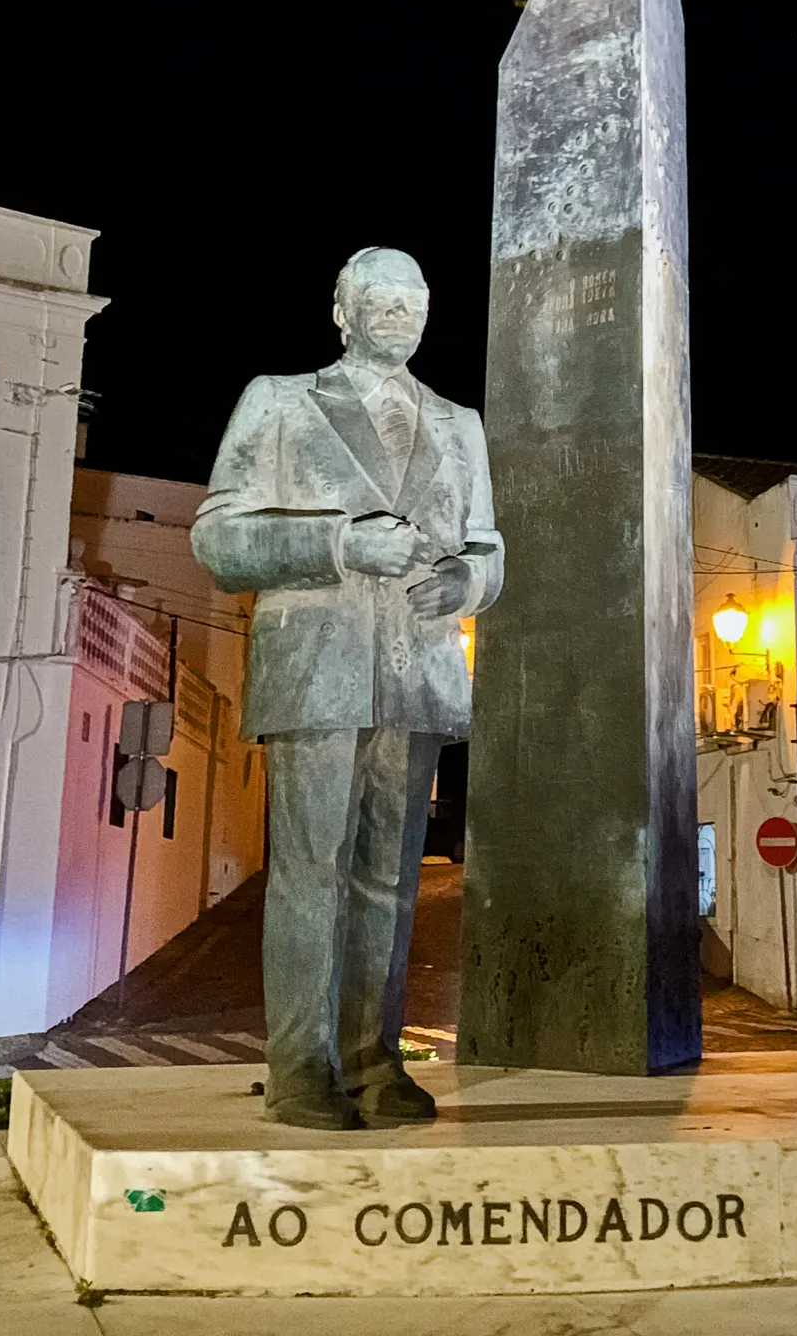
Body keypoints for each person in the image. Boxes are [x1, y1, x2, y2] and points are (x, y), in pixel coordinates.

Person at [193, 247, 502, 1128]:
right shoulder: (280, 401)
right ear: (342, 309)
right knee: (308, 874)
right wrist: (339, 544)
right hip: (317, 669)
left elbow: (486, 543)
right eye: (382, 300)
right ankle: (299, 1070)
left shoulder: (460, 423)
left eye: (416, 302)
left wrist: (470, 583)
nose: (401, 315)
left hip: (418, 674)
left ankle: (373, 1061)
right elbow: (218, 538)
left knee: (391, 882)